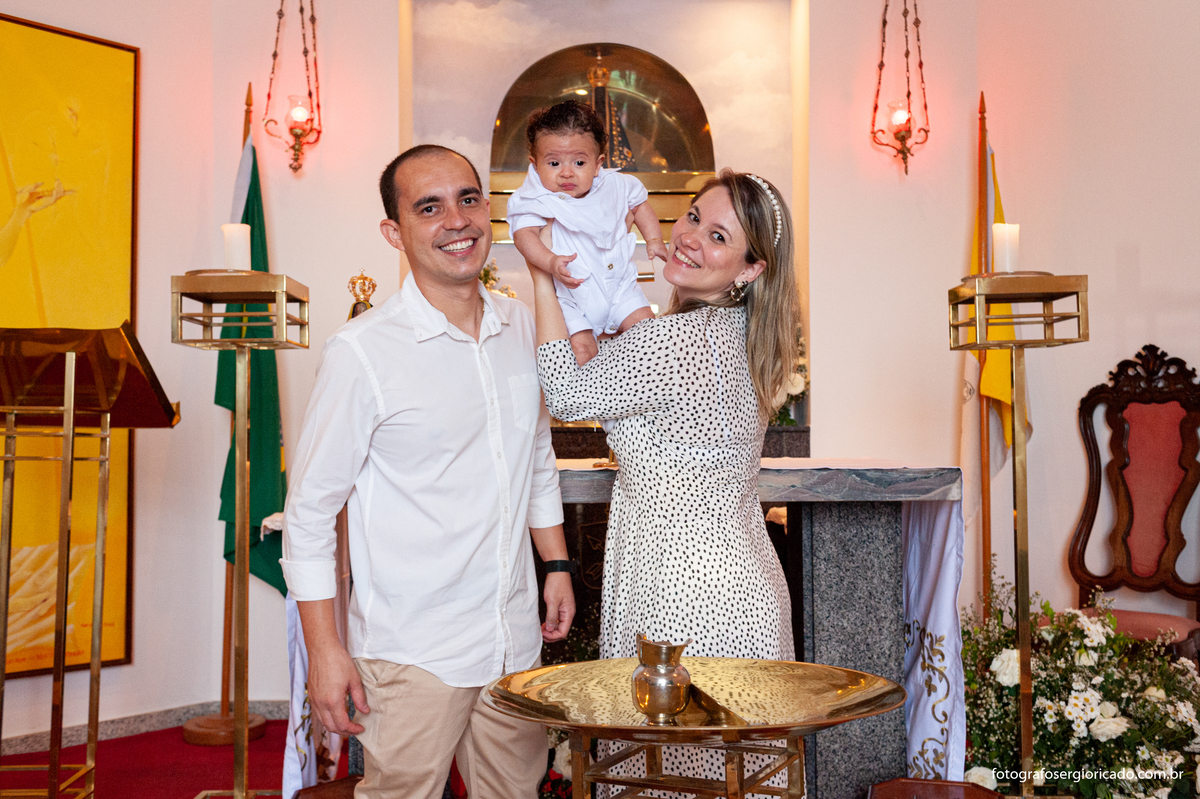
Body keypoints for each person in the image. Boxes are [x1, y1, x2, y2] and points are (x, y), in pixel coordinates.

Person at [282, 144, 576, 799]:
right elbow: (309, 513)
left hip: (512, 639)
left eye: (468, 199)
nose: (456, 220)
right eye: (429, 207)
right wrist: (325, 651)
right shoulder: (361, 352)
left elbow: (535, 456)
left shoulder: (521, 325)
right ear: (395, 232)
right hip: (412, 650)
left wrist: (555, 563)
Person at [528, 169, 801, 794]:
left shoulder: (673, 339)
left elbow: (565, 393)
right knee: (733, 778)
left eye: (718, 236)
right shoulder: (746, 339)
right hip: (745, 587)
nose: (689, 237)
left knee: (670, 778)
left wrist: (542, 273)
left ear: (751, 269)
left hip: (680, 593)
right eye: (693, 217)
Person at [508, 100, 668, 365]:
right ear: (535, 165)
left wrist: (654, 239)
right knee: (582, 353)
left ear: (597, 164)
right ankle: (595, 389)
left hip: (620, 288)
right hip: (573, 295)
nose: (566, 173)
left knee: (649, 337)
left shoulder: (615, 185)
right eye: (554, 163)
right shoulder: (533, 199)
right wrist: (550, 261)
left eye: (579, 162)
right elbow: (524, 235)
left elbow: (639, 205)